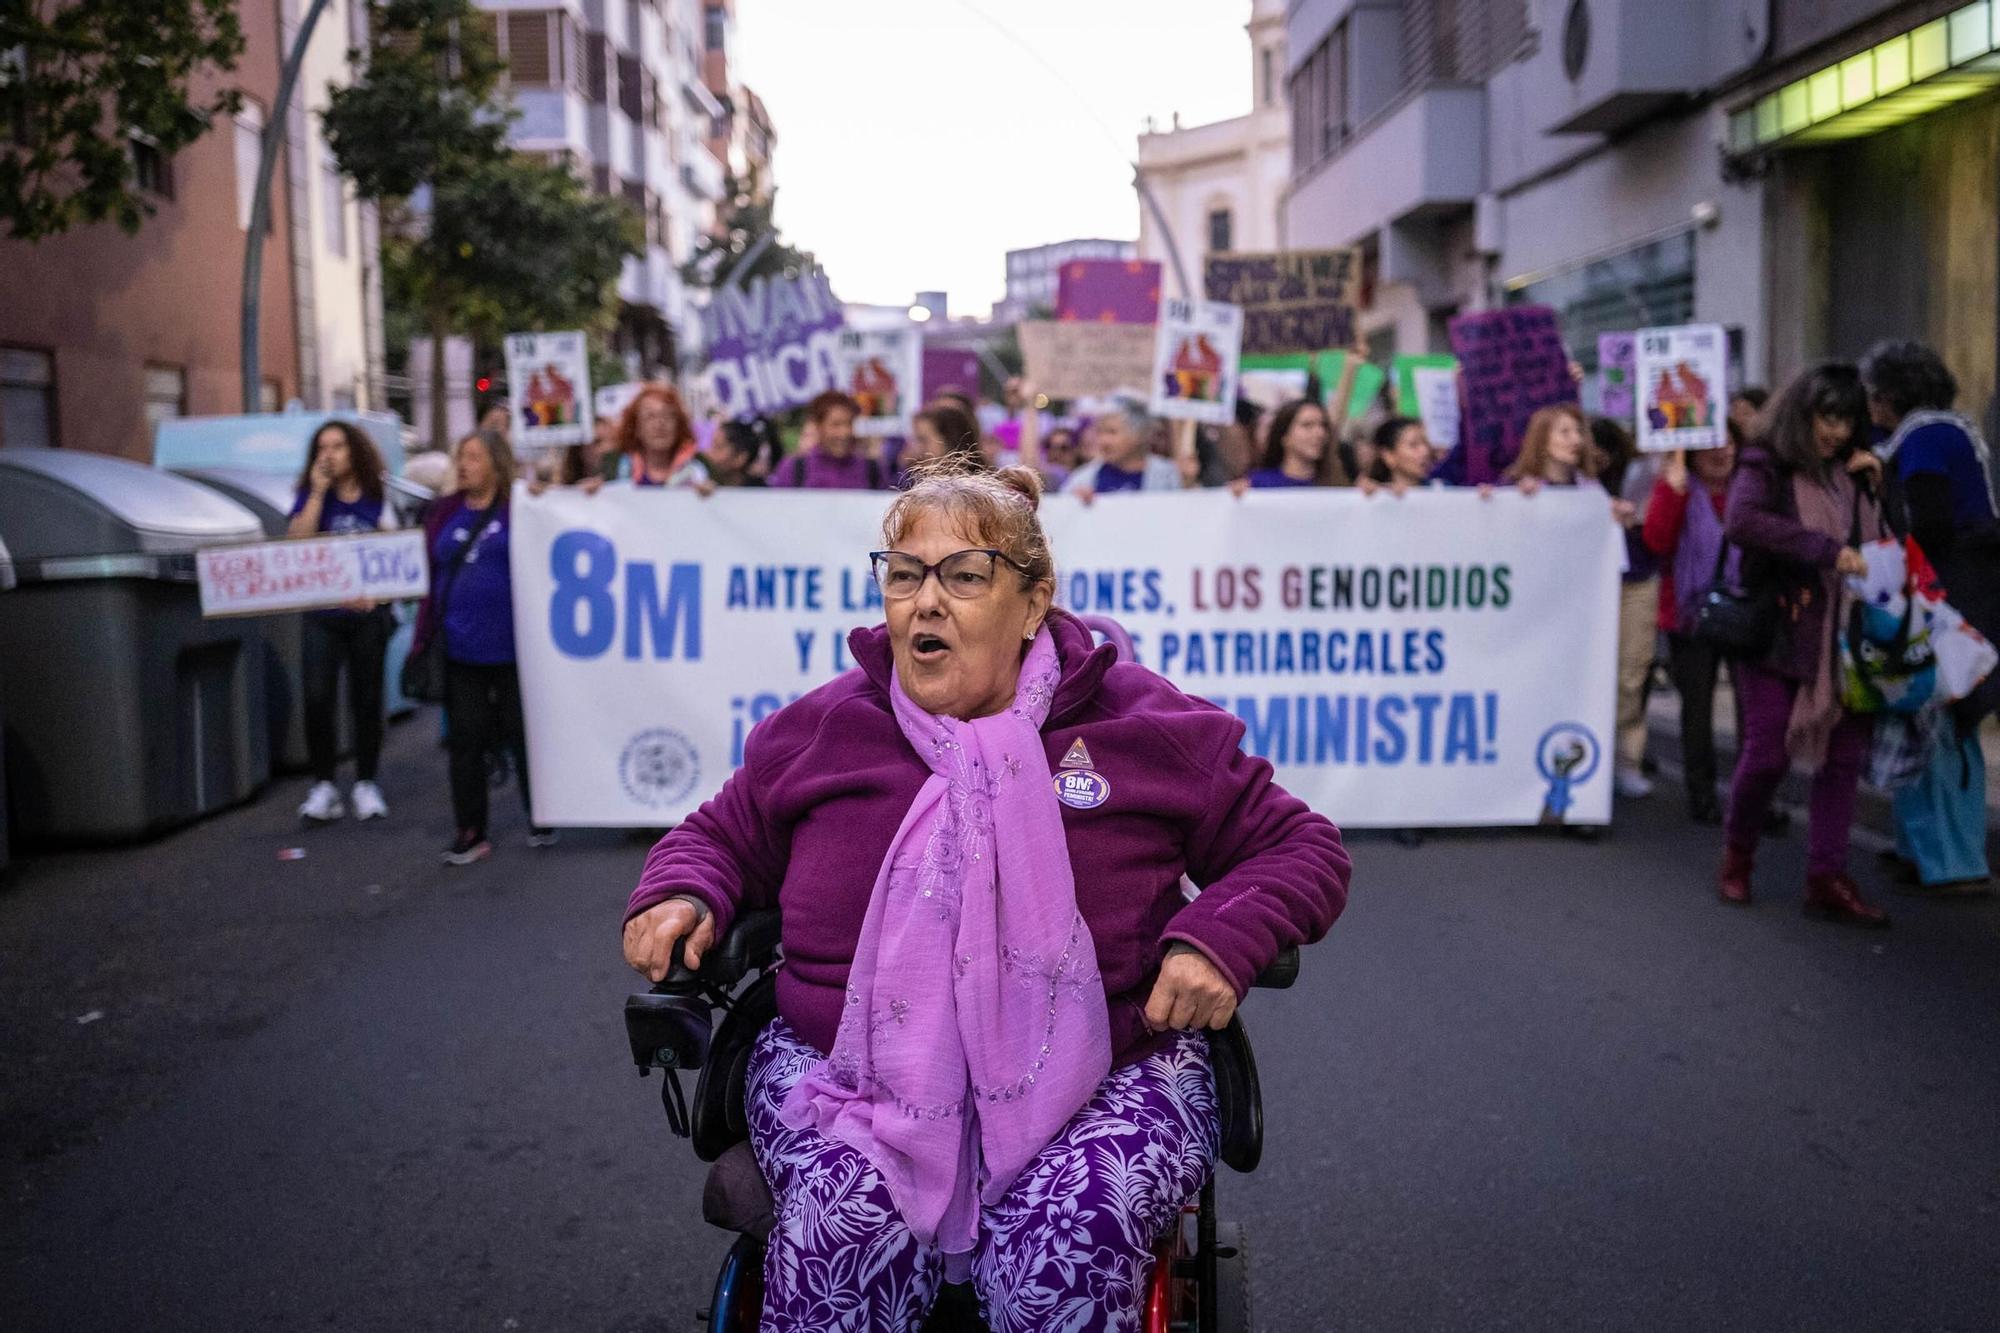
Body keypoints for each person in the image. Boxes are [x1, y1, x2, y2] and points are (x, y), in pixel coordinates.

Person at [622, 459, 1348, 1329]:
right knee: (842, 1230)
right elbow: (720, 836)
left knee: (1062, 1244)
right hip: (850, 1072)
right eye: (904, 573)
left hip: (1108, 1067)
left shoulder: (1142, 725)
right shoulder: (826, 727)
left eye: (964, 575)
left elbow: (1300, 845)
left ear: (1034, 601)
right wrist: (683, 894)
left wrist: (1218, 939)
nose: (926, 602)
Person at [1717, 363, 1889, 925]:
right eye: (1827, 417)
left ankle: (1827, 876)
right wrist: (1821, 549)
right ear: (1802, 414)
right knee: (1767, 754)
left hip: (1846, 635)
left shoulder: (1855, 471)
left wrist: (1878, 486)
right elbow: (1742, 522)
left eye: (1847, 419)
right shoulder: (1765, 461)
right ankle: (1738, 856)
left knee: (1842, 761)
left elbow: (1886, 545)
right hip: (1779, 630)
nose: (1837, 432)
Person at [1861, 340, 1999, 893]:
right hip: (1963, 589)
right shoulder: (1947, 430)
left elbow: (1930, 523)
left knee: (1937, 720)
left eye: (1873, 395)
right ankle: (1924, 849)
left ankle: (1950, 859)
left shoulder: (1922, 438)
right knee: (1930, 721)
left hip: (1947, 596)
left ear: (1890, 396)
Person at [415, 429, 550, 864]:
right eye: (461, 457)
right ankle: (471, 829)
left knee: (524, 735)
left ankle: (542, 814)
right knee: (466, 741)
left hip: (516, 650)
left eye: (473, 456)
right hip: (460, 650)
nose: (465, 465)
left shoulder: (520, 508)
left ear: (496, 461)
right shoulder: (443, 513)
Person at [288, 421, 397, 824]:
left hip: (368, 615)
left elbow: (399, 556)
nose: (329, 454)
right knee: (317, 696)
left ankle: (366, 781)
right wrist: (316, 493)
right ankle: (324, 785)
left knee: (366, 698)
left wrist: (377, 596)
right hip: (322, 614)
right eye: (322, 448)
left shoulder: (377, 497)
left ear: (355, 452)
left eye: (338, 446)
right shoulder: (310, 496)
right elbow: (296, 543)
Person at [1642, 432, 1742, 824]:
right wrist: (1674, 488)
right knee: (1697, 709)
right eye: (1711, 445)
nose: (1721, 452)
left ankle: (1752, 798)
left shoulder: (1750, 491)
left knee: (1751, 710)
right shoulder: (1679, 488)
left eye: (1728, 443)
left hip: (1744, 612)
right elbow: (1657, 540)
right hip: (1691, 617)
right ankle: (1702, 794)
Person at [1594, 417, 1662, 799]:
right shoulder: (1575, 479)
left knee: (1631, 673)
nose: (1596, 458)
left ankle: (1627, 761)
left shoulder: (1642, 474)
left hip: (1636, 581)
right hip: (1588, 586)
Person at [1062, 398, 1183, 500]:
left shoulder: (1168, 475)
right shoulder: (1082, 478)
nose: (1103, 440)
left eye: (1112, 432)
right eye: (1100, 432)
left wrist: (1188, 482)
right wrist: (1073, 502)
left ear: (1139, 434)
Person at [770, 390, 888, 489]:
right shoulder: (794, 468)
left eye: (849, 423)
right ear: (818, 426)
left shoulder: (872, 470)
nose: (844, 433)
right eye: (836, 424)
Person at [1230, 398, 1345, 491]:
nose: (1320, 433)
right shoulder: (1258, 484)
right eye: (1307, 425)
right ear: (1284, 436)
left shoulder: (1335, 485)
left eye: (1323, 426)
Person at [609, 384, 710, 489]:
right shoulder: (616, 471)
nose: (659, 424)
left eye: (667, 415)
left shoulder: (697, 473)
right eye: (650, 416)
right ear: (636, 427)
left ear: (678, 425)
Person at [898, 402, 986, 484]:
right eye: (915, 440)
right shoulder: (916, 481)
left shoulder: (973, 492)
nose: (915, 449)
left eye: (923, 440)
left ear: (949, 440)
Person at [1357, 416, 1436, 495]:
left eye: (1426, 443)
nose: (1425, 451)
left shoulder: (1441, 488)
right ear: (1388, 456)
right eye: (1413, 445)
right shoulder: (1373, 491)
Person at [706, 419, 770, 488]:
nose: (708, 452)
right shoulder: (705, 485)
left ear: (740, 457)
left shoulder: (761, 494)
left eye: (718, 447)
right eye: (711, 445)